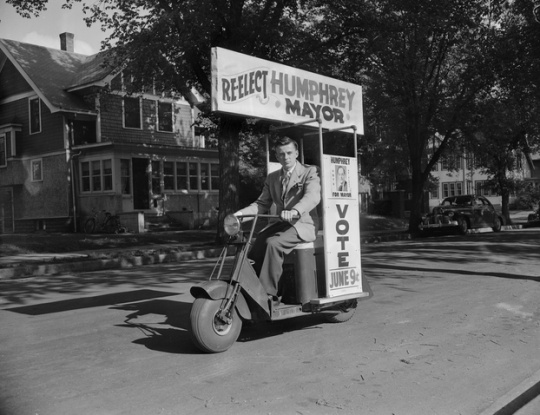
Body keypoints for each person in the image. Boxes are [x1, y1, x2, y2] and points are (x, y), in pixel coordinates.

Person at [234, 136, 321, 305]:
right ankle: (249, 285)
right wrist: (239, 215)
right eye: (281, 154)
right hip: (284, 223)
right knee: (259, 240)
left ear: (296, 153)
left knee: (273, 244)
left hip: (303, 224)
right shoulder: (273, 178)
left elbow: (313, 196)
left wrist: (295, 210)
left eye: (289, 153)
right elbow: (261, 204)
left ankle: (268, 294)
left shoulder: (309, 172)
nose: (286, 157)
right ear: (276, 156)